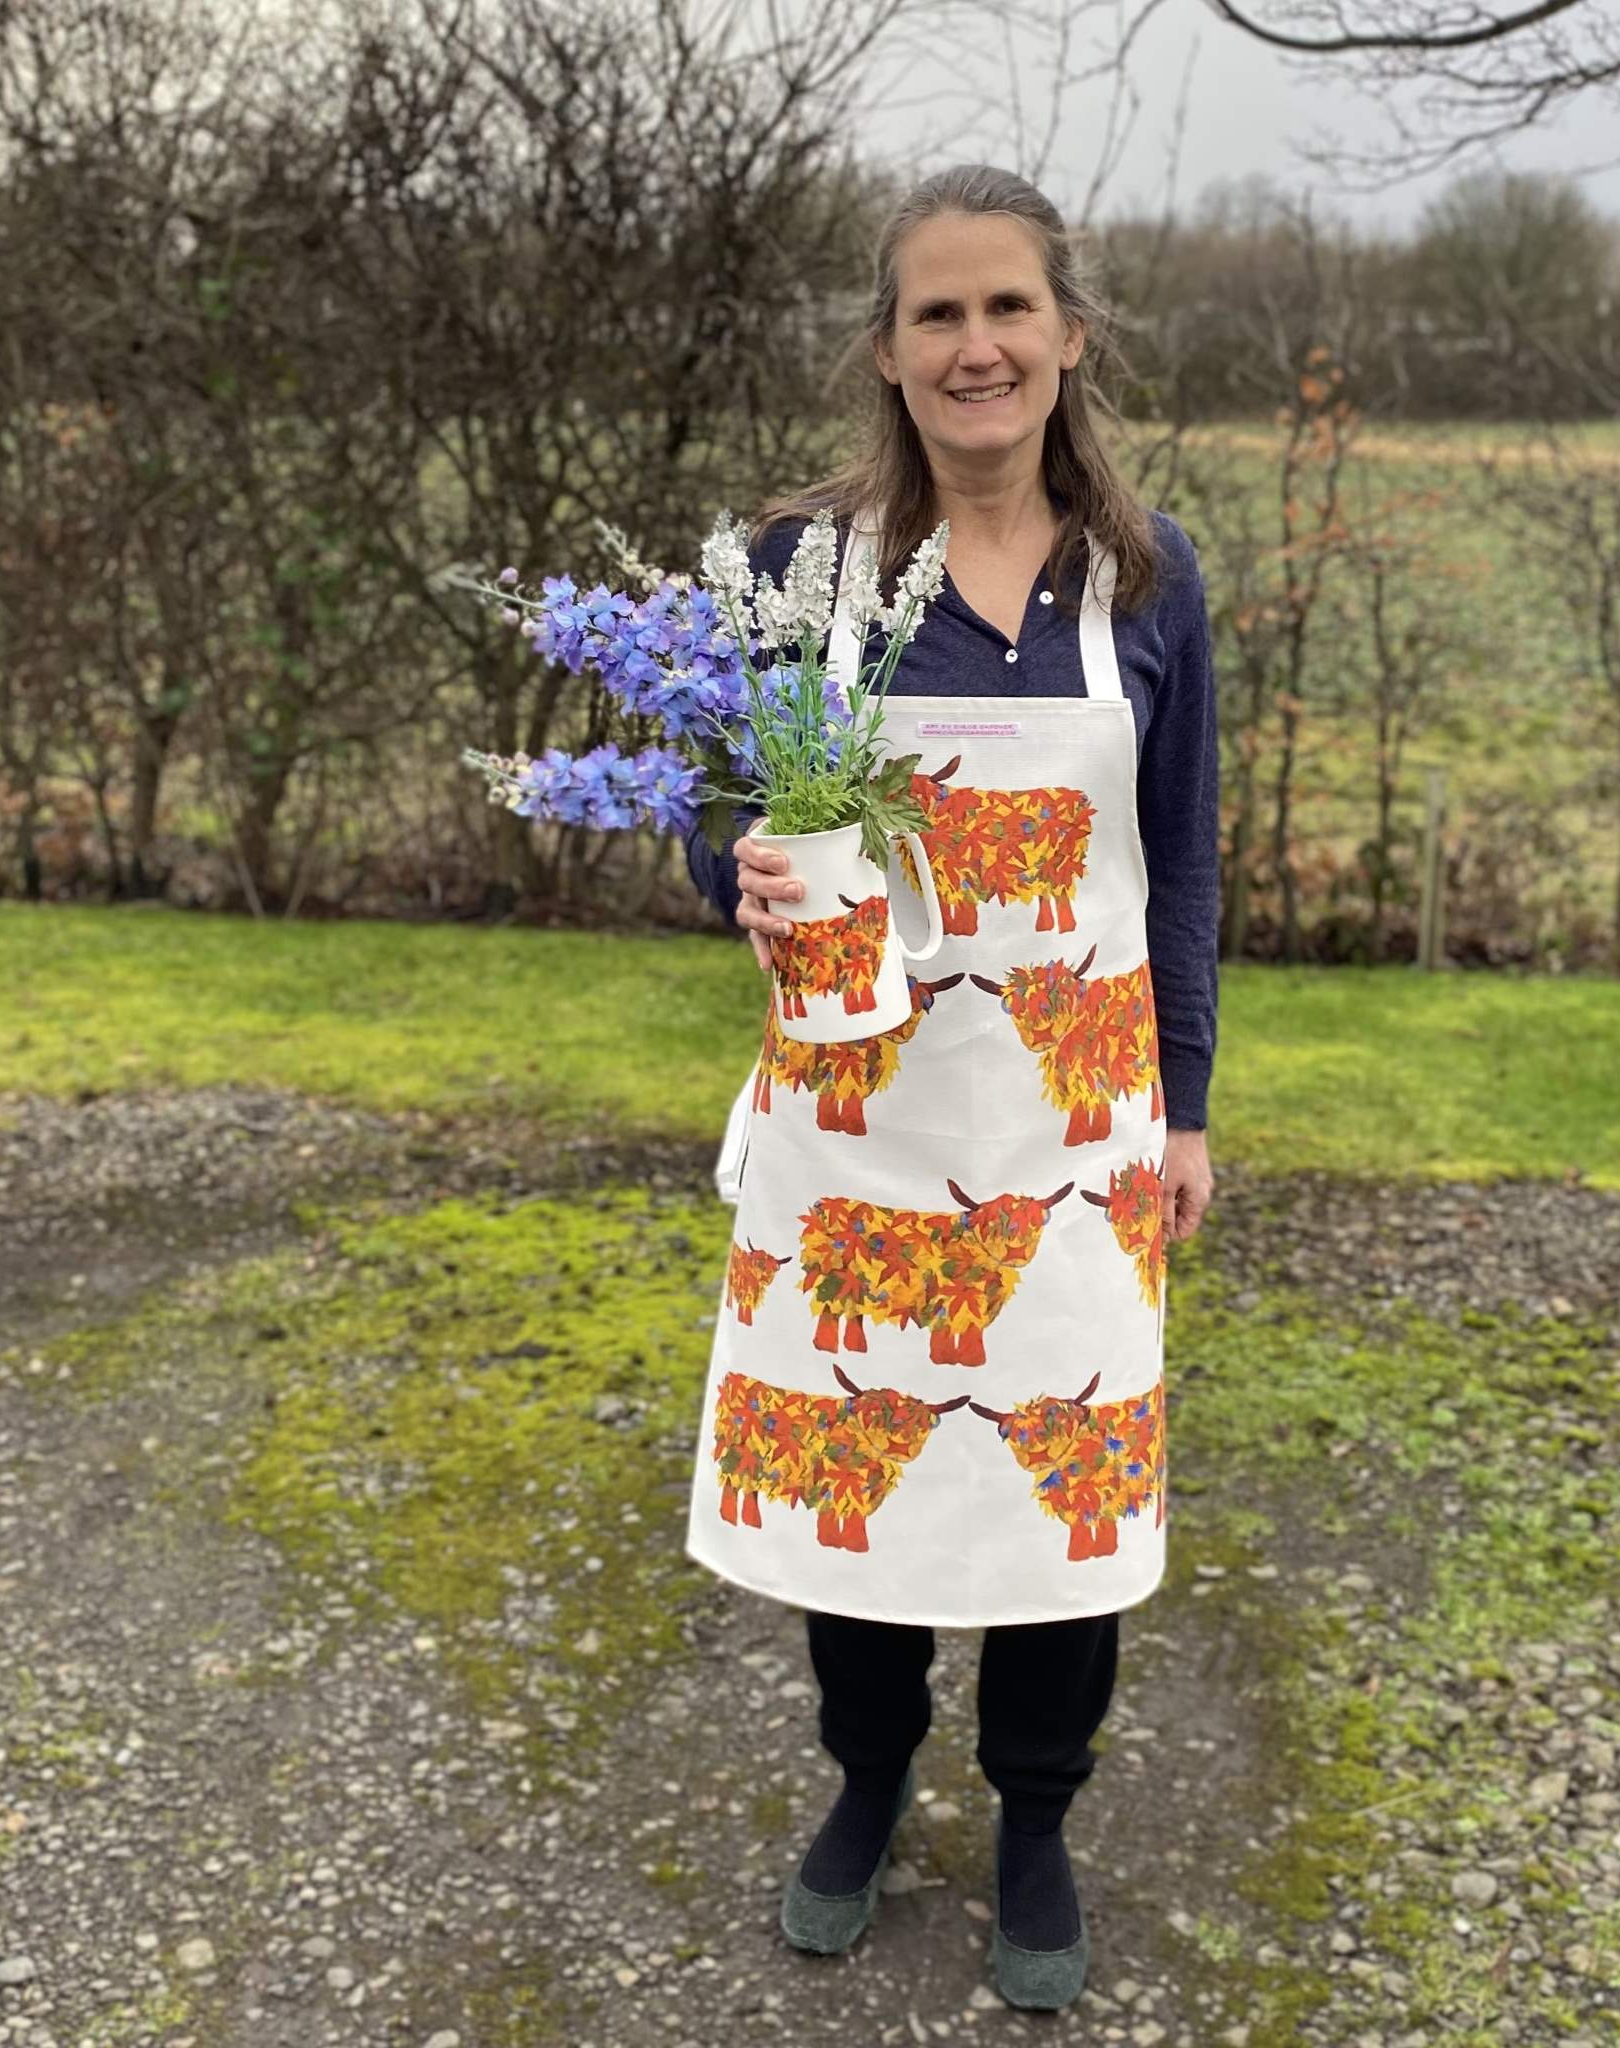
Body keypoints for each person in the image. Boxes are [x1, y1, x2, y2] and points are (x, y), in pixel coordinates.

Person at [678, 162, 1219, 2012]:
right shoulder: (791, 573)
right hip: (859, 1129)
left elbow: (1183, 862)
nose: (976, 346)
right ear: (889, 352)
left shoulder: (1145, 581)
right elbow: (712, 820)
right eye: (938, 314)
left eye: (1009, 309)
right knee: (865, 1476)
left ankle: (1039, 1818)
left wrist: (1193, 1108)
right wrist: (746, 868)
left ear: (1071, 336)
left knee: (1065, 1494)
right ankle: (865, 1776)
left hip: (1072, 1130)